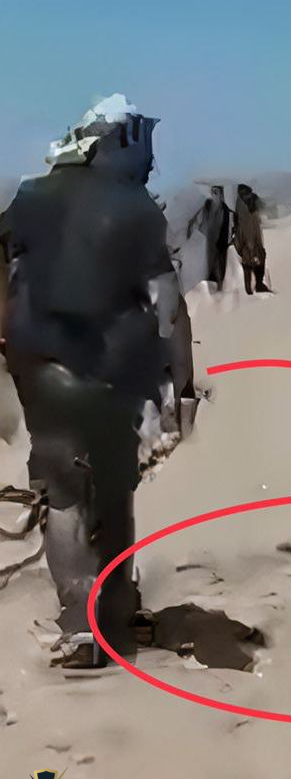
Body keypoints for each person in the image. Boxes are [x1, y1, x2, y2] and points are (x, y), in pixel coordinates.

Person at [0, 95, 194, 671]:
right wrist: (182, 388)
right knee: (112, 489)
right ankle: (116, 611)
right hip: (113, 371)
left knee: (64, 494)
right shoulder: (134, 207)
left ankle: (81, 626)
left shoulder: (29, 198)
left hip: (41, 368)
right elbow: (168, 305)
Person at [232, 184, 268, 294]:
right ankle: (250, 291)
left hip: (254, 242)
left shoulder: (251, 205)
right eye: (246, 194)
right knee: (248, 263)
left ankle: (258, 285)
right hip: (247, 244)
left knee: (259, 258)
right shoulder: (242, 208)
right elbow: (246, 229)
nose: (248, 196)